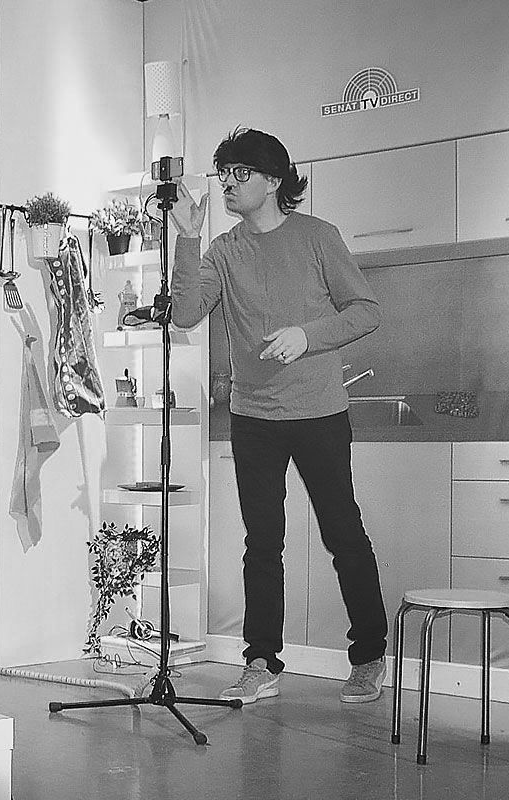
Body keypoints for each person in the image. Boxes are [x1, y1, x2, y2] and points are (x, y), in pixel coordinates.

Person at [167, 127, 387, 705]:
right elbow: (185, 314)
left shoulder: (317, 237)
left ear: (272, 180)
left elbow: (366, 311)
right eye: (223, 174)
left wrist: (308, 335)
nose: (228, 184)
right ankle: (261, 661)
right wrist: (186, 239)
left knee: (343, 533)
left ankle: (369, 655)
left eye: (239, 173)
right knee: (262, 544)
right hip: (253, 416)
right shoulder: (222, 249)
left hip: (319, 413)